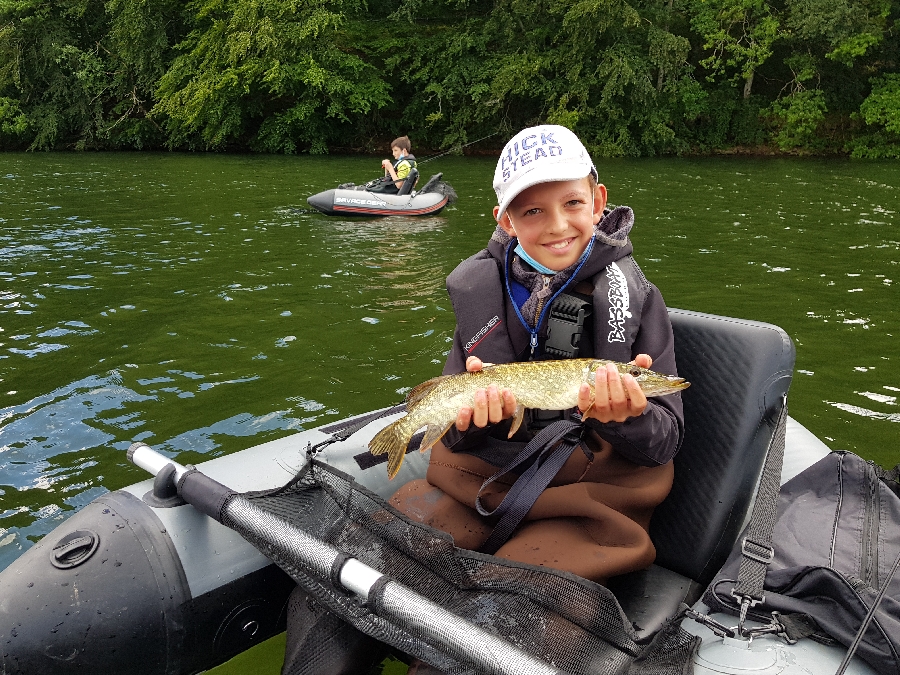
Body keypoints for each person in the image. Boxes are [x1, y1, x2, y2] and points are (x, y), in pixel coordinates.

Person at [389, 124, 685, 584]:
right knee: (380, 563)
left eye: (572, 203)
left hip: (585, 501)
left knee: (507, 613)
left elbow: (664, 440)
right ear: (505, 220)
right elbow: (454, 437)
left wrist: (627, 414)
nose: (558, 224)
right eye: (532, 211)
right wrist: (474, 424)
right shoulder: (481, 294)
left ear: (598, 200)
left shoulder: (639, 300)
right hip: (481, 484)